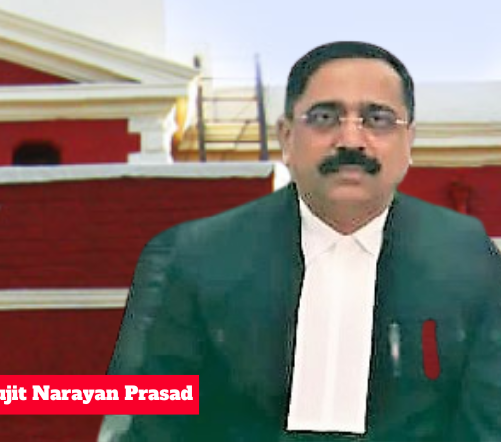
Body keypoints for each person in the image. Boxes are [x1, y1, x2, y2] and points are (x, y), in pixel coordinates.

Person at [105, 41, 501, 441]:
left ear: (408, 141)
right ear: (286, 136)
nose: (351, 140)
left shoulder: (467, 258)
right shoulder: (195, 255)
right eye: (325, 117)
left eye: (377, 119)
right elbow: (148, 421)